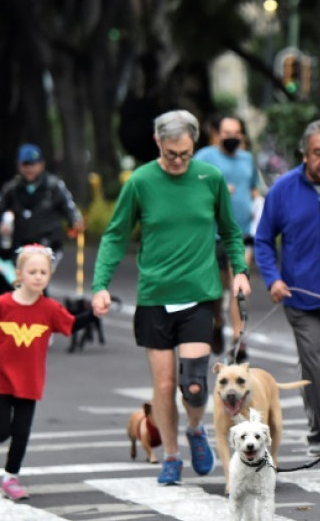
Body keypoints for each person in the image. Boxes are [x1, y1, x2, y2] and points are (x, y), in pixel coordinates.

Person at [90, 110, 251, 485]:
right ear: (158, 142)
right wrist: (100, 284)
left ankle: (196, 429)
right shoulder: (141, 181)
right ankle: (172, 456)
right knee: (164, 385)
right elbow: (115, 235)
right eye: (171, 153)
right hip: (155, 298)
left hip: (198, 295)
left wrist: (240, 271)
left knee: (194, 385)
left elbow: (230, 231)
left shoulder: (209, 177)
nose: (179, 161)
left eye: (186, 153)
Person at [0, 245, 100, 500]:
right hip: (0, 376)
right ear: (19, 275)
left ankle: (10, 478)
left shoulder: (49, 309)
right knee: (1, 432)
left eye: (43, 272)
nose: (38, 276)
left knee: (22, 432)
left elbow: (72, 323)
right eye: (32, 271)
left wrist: (94, 313)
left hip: (29, 379)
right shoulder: (2, 304)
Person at [254, 119, 320, 457]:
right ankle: (318, 432)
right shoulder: (283, 190)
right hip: (298, 296)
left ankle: (317, 400)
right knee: (314, 362)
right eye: (318, 153)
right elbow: (264, 240)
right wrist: (273, 279)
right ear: (304, 154)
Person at [194, 116, 259, 355]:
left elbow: (253, 187)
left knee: (239, 287)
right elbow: (190, 190)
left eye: (236, 132)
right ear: (217, 133)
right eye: (227, 132)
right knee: (216, 293)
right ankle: (218, 324)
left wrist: (257, 200)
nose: (231, 137)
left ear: (242, 135)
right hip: (212, 236)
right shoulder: (204, 158)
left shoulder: (247, 159)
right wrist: (216, 190)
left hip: (242, 234)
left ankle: (238, 337)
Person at [0, 144, 84, 266]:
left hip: (48, 245)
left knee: (38, 278)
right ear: (18, 166)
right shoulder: (12, 189)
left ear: (42, 165)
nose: (29, 169)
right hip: (21, 246)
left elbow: (69, 207)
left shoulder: (54, 186)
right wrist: (0, 224)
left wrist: (75, 220)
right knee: (25, 280)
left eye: (33, 164)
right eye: (25, 165)